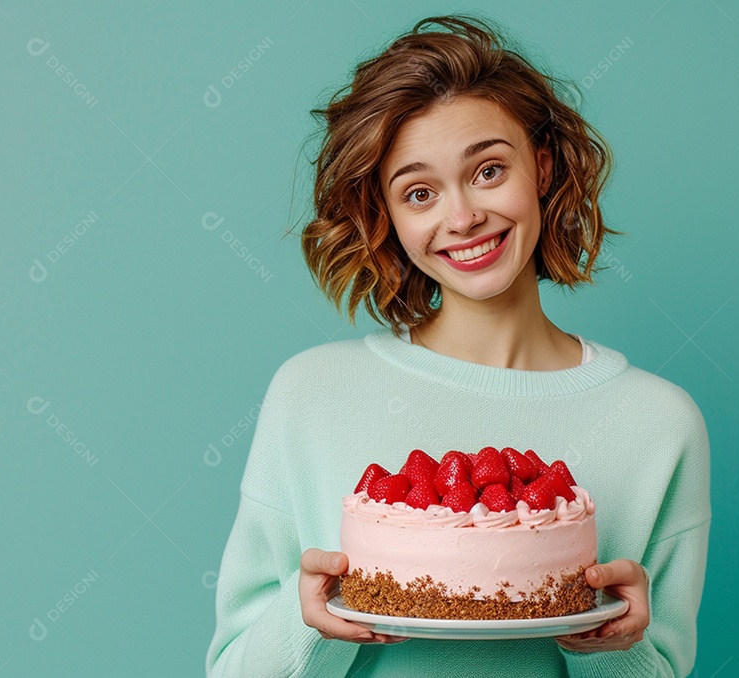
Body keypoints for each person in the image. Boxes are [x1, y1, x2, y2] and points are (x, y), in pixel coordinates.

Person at [206, 13, 710, 678]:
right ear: (388, 216)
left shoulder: (660, 423)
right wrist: (314, 621)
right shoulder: (311, 394)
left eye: (489, 170)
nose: (463, 216)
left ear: (543, 165)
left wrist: (613, 644)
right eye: (420, 192)